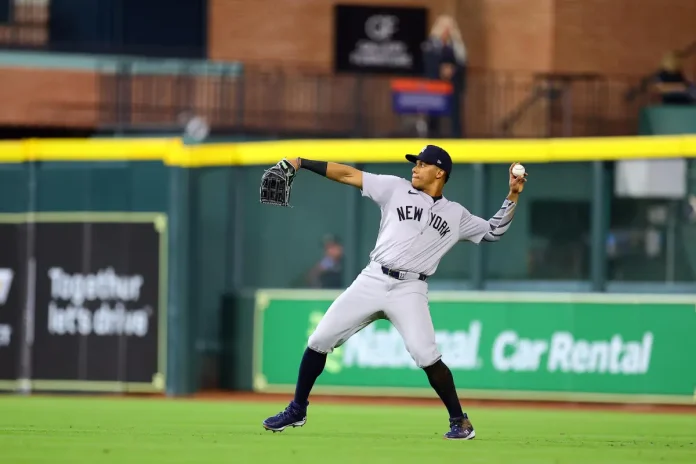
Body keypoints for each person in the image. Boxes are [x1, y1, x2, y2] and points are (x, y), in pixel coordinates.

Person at [261, 145, 528, 440]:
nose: (415, 168)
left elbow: (493, 231)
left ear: (440, 173)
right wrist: (300, 162)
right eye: (415, 163)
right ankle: (297, 409)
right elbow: (348, 174)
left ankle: (460, 421)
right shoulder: (394, 188)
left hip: (410, 289)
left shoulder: (456, 215)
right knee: (319, 339)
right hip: (373, 277)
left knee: (427, 356)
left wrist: (513, 194)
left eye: (422, 164)